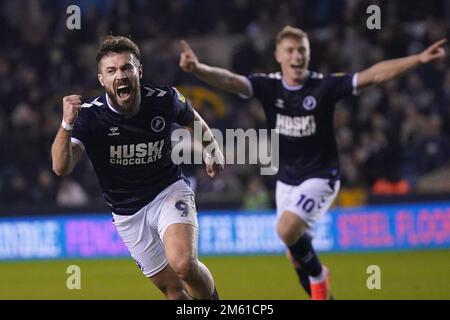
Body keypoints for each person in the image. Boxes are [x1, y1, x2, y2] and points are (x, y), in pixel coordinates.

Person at [179, 26, 446, 300]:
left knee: (285, 228)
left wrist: (417, 59)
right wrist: (198, 68)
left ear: (308, 55)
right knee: (296, 257)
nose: (297, 56)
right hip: (287, 181)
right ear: (278, 56)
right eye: (291, 51)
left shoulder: (323, 86)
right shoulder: (269, 86)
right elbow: (231, 81)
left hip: (321, 176)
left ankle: (320, 276)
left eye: (302, 51)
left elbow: (373, 75)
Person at [51, 35, 224, 300]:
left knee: (184, 265)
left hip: (168, 191)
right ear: (102, 80)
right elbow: (61, 167)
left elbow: (192, 119)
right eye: (111, 70)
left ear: (138, 71)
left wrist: (212, 150)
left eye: (126, 67)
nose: (120, 75)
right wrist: (66, 124)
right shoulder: (90, 117)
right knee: (174, 292)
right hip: (127, 213)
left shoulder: (164, 99)